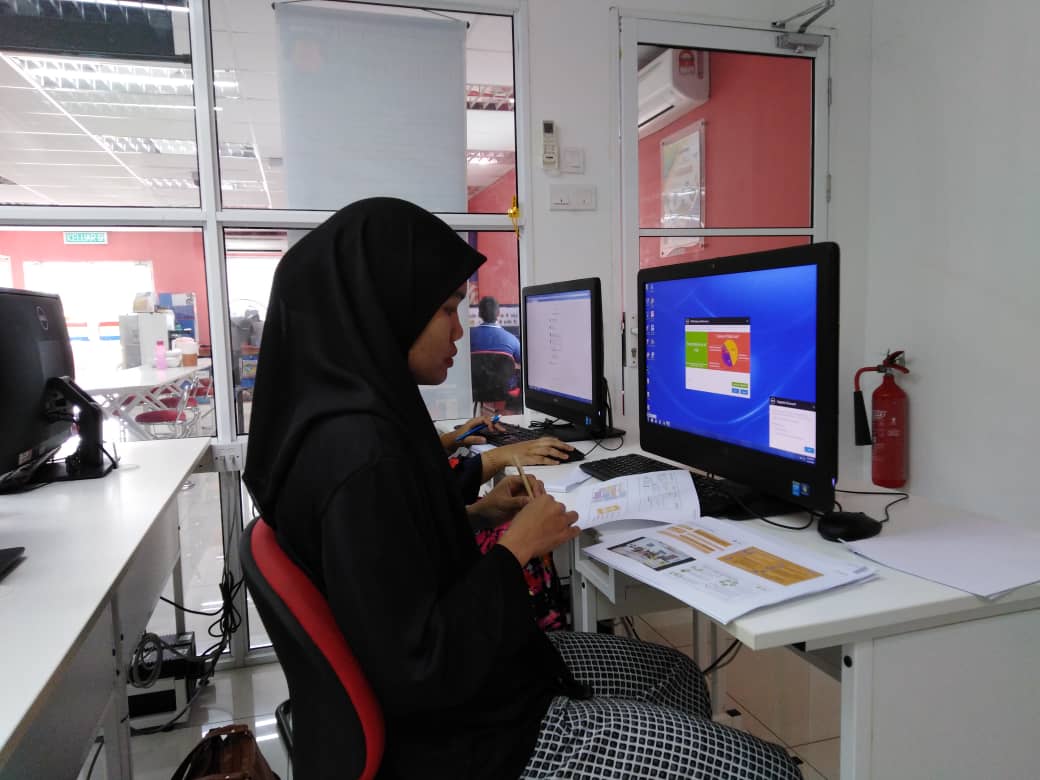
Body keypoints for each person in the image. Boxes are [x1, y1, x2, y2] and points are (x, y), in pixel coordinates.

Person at [243, 197, 802, 780]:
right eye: (445, 310)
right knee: (767, 771)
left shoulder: (347, 423)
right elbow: (421, 664)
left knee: (673, 676)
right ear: (385, 310)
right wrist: (516, 549)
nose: (459, 330)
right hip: (474, 740)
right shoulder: (360, 458)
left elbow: (388, 564)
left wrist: (477, 515)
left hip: (471, 691)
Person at [470, 295, 521, 361]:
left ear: (479, 314)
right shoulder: (512, 340)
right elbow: (522, 361)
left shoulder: (468, 337)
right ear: (498, 313)